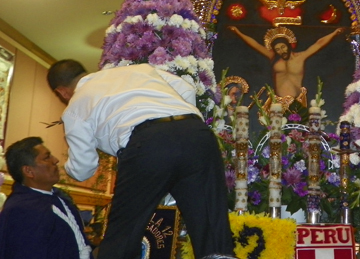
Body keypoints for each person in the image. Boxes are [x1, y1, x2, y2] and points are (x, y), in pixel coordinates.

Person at [47, 60, 234, 259]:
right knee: (212, 231)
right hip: (197, 134)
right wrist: (179, 121)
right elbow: (186, 88)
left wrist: (67, 168)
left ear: (62, 91)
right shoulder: (138, 70)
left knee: (123, 234)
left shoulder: (76, 105)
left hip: (148, 143)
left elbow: (83, 168)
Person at [0, 136, 93, 259]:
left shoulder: (59, 198)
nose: (55, 160)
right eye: (46, 157)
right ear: (28, 171)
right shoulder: (21, 210)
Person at [228, 25, 344, 103]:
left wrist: (334, 33)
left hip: (297, 101)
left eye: (283, 47)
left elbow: (319, 44)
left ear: (288, 45)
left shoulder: (301, 56)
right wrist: (238, 32)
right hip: (278, 102)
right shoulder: (273, 57)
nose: (281, 51)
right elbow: (255, 45)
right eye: (278, 49)